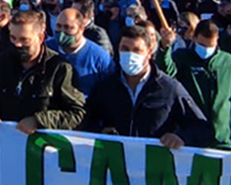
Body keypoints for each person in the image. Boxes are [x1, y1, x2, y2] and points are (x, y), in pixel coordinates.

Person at [82, 25, 211, 148]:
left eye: (137, 50)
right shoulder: (105, 88)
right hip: (116, 164)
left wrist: (181, 137)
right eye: (125, 49)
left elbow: (201, 128)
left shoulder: (169, 89)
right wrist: (100, 131)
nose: (130, 55)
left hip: (154, 165)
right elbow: (87, 121)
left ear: (149, 52)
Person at [0, 10, 85, 133]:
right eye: (13, 38)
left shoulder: (59, 68)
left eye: (24, 40)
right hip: (6, 143)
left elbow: (77, 114)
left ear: (40, 37)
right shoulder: (2, 62)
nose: (17, 44)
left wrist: (39, 120)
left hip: (42, 147)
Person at [171, 20, 231, 150]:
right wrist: (164, 49)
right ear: (194, 38)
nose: (206, 50)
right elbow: (168, 70)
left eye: (211, 45)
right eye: (202, 45)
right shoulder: (181, 57)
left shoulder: (228, 62)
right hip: (188, 138)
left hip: (221, 139)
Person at [44, 8, 114, 97]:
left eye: (67, 27)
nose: (62, 32)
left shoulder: (99, 57)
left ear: (81, 28)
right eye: (58, 26)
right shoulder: (46, 48)